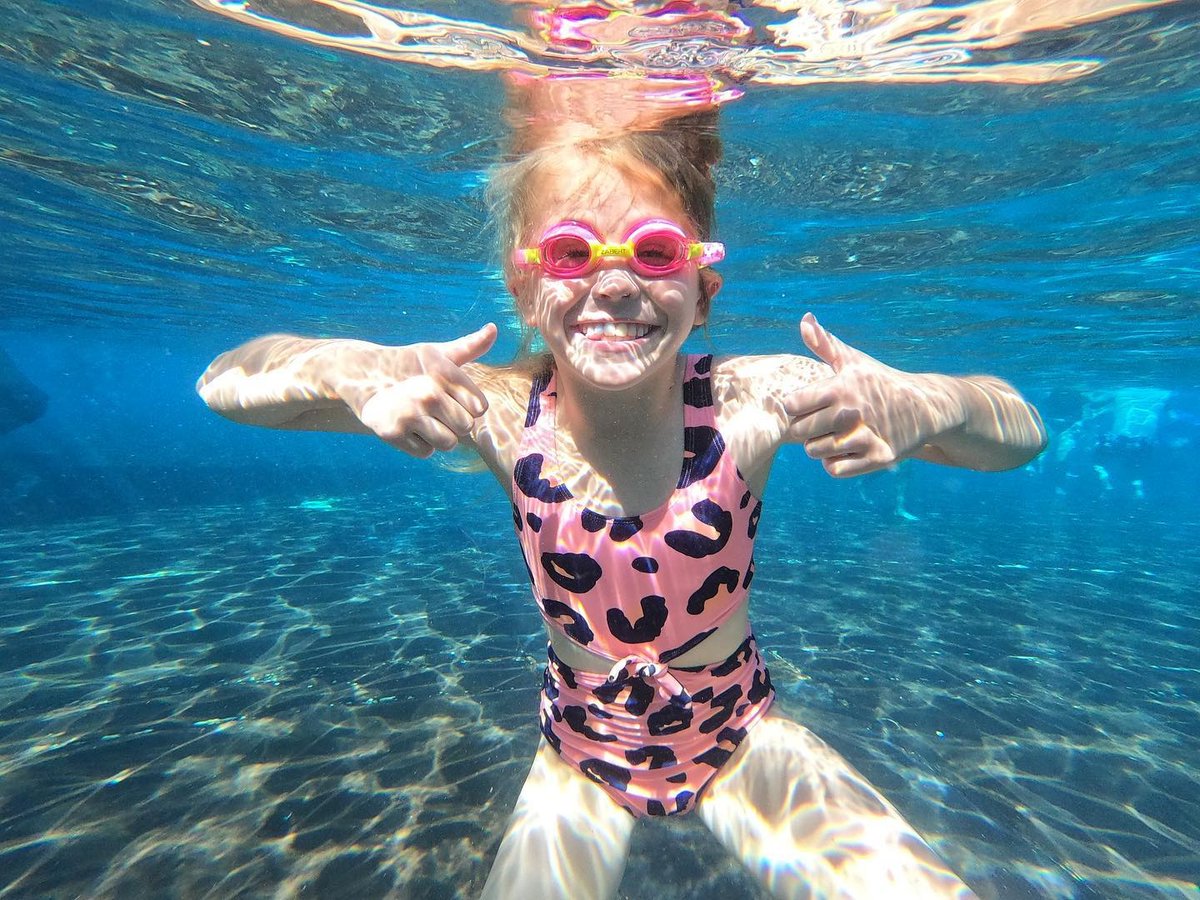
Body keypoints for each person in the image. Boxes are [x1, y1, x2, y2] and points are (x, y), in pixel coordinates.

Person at [196, 109, 1046, 898]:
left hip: (740, 733)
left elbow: (1024, 434)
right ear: (526, 286)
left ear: (703, 284)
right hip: (578, 750)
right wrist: (346, 368)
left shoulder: (756, 399)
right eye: (571, 254)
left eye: (655, 252)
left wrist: (942, 404)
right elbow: (223, 384)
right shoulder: (493, 410)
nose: (612, 285)